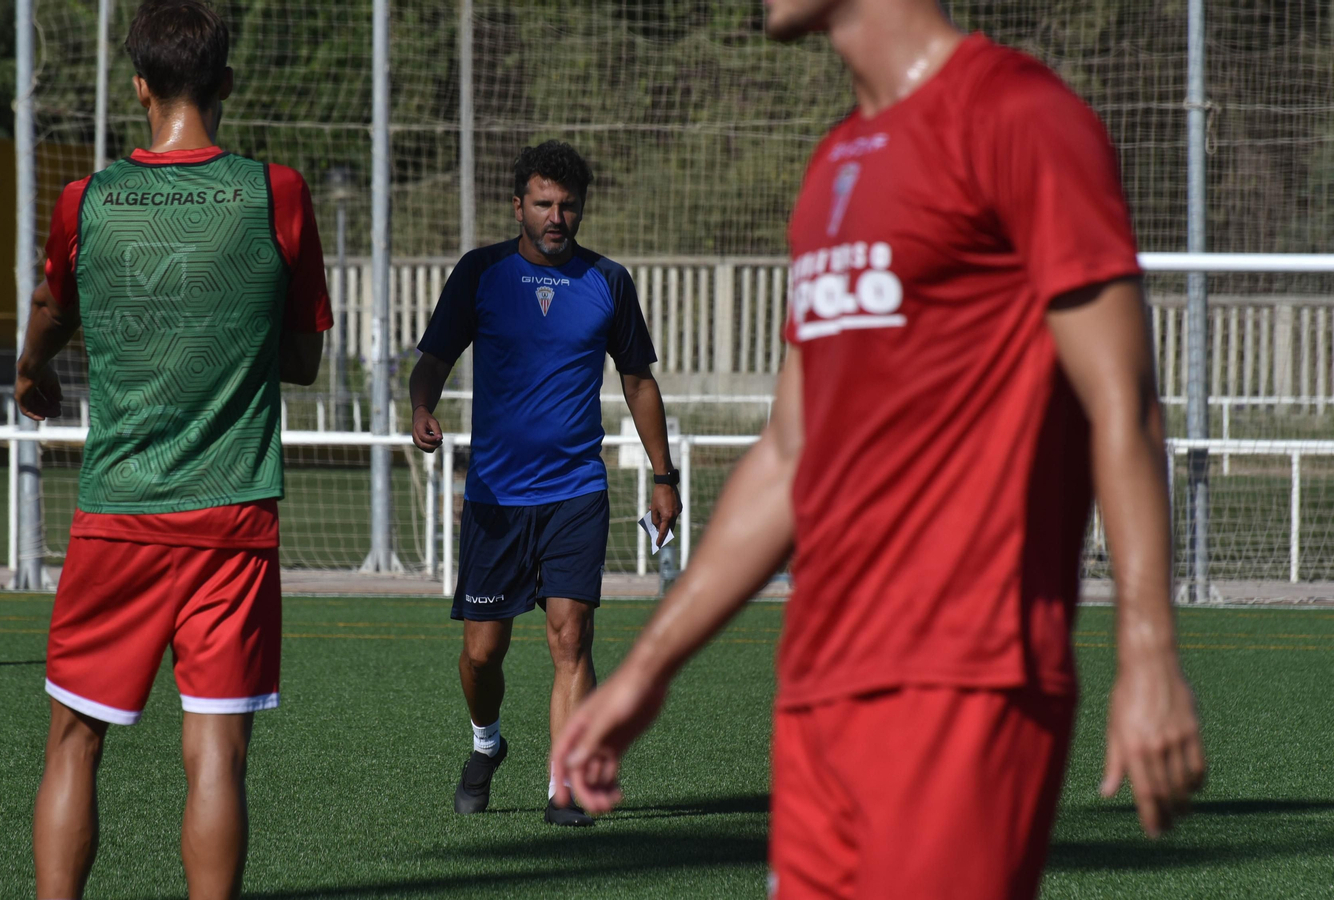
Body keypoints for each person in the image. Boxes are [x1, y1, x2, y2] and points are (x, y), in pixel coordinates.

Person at [551, 0, 1207, 896]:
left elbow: (1122, 402)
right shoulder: (833, 165)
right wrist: (647, 671)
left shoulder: (1019, 113)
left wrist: (1149, 650)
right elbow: (789, 453)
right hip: (822, 683)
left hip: (964, 674)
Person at [15, 2, 329, 897]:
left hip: (117, 511)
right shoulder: (279, 192)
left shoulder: (88, 200)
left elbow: (51, 313)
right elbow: (302, 360)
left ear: (141, 86)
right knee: (218, 752)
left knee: (75, 738)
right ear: (226, 84)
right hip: (232, 515)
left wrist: (31, 371)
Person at [410, 141, 680, 827]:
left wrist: (663, 474)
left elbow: (639, 381)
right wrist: (421, 407)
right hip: (496, 498)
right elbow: (434, 358)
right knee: (481, 654)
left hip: (576, 492)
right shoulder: (481, 273)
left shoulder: (609, 281)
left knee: (571, 638)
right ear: (518, 206)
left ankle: (565, 783)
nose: (557, 217)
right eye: (544, 204)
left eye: (568, 206)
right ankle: (486, 743)